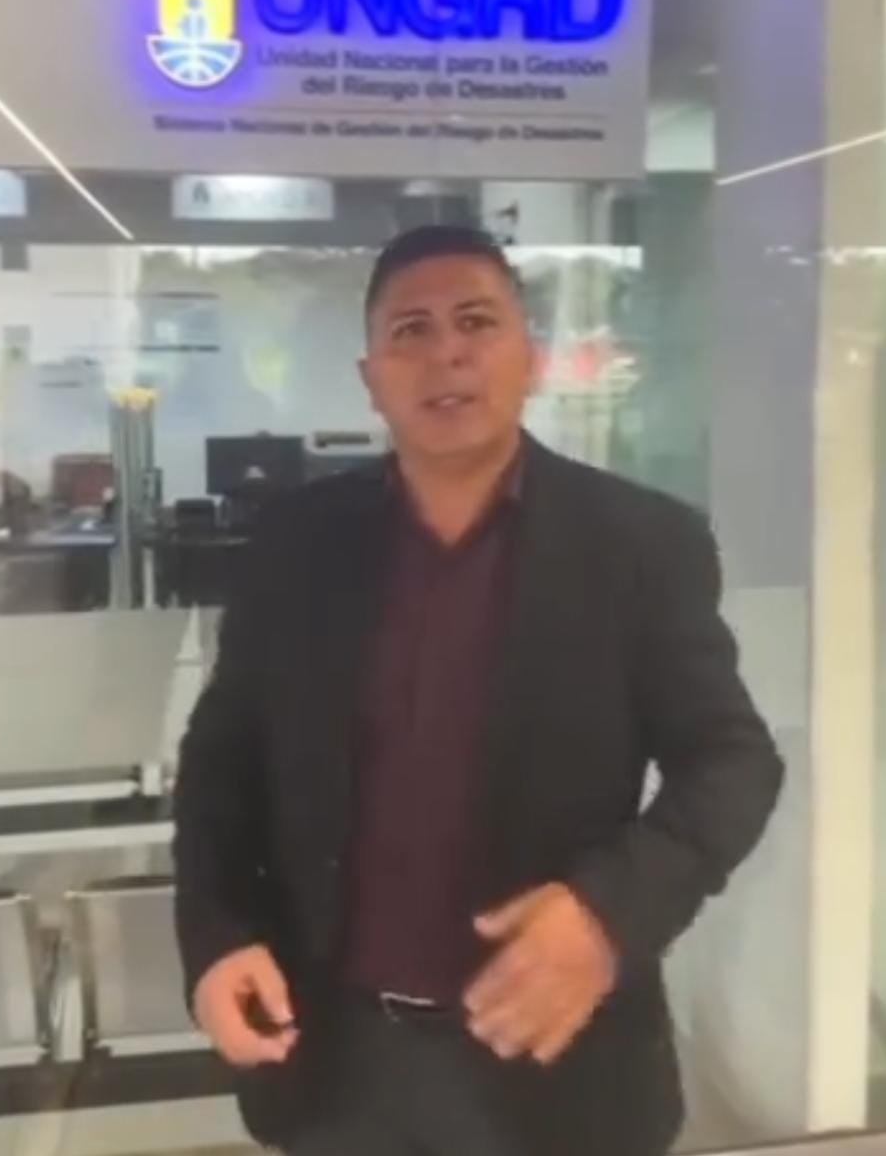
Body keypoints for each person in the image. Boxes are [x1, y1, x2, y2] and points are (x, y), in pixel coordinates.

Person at [174, 225, 783, 1156]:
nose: (446, 352)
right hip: (335, 1064)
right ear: (371, 377)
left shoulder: (638, 545)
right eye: (410, 330)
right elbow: (222, 766)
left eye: (476, 321)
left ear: (530, 358)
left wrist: (608, 914)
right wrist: (217, 937)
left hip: (560, 1064)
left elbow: (734, 763)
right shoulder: (297, 546)